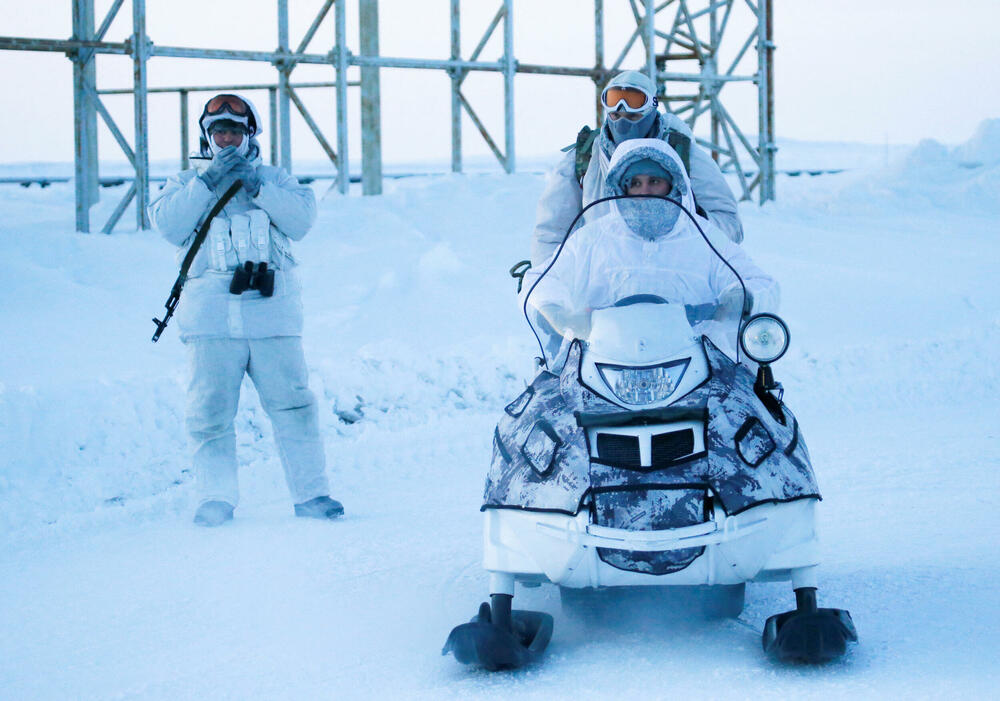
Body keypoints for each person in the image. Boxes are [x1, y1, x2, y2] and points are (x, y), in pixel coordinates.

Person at [148, 93, 344, 527]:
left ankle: (312, 495)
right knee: (209, 412)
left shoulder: (275, 179)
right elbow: (168, 225)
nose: (228, 138)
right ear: (207, 135)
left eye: (235, 130)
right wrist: (208, 182)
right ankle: (215, 498)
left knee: (294, 405)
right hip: (210, 320)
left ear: (249, 133)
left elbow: (301, 221)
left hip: (272, 317)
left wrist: (257, 187)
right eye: (219, 131)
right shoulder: (185, 183)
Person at [527, 137, 777, 358]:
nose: (644, 191)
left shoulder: (704, 236)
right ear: (621, 188)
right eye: (634, 183)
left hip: (697, 368)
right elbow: (541, 278)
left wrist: (740, 300)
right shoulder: (592, 238)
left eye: (654, 181)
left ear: (673, 184)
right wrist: (555, 311)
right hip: (601, 366)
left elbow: (760, 283)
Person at [529, 69, 743, 272]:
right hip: (601, 288)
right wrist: (550, 287)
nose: (622, 113)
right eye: (614, 102)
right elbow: (551, 232)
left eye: (634, 103)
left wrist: (692, 223)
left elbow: (729, 224)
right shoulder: (584, 158)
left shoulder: (683, 154)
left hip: (677, 283)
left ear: (652, 106)